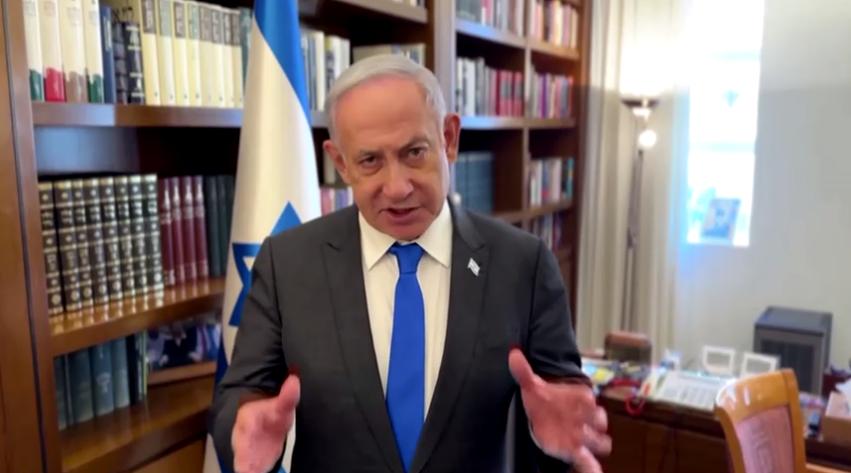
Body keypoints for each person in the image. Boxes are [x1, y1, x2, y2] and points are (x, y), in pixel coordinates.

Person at [209, 54, 611, 473]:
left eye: (414, 152)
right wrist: (243, 430)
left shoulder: (524, 264)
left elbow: (561, 400)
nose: (397, 187)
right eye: (370, 161)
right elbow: (239, 397)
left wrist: (556, 441)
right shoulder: (287, 263)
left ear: (449, 138)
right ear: (340, 162)